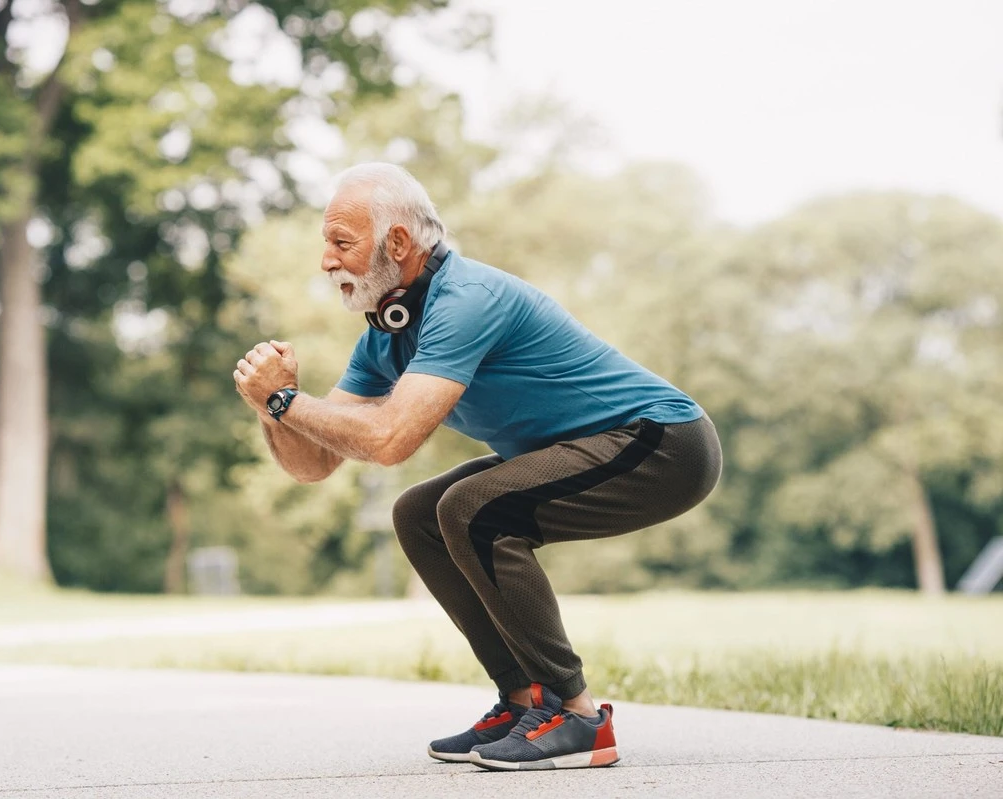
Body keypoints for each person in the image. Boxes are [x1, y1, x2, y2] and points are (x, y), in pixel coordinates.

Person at [232, 162, 722, 772]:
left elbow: (388, 441)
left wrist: (285, 400)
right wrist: (269, 406)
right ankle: (524, 704)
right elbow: (315, 465)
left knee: (472, 510)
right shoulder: (386, 335)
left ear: (399, 243)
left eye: (341, 242)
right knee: (418, 514)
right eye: (325, 245)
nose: (326, 261)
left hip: (663, 443)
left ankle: (578, 718)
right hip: (594, 447)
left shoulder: (466, 298)